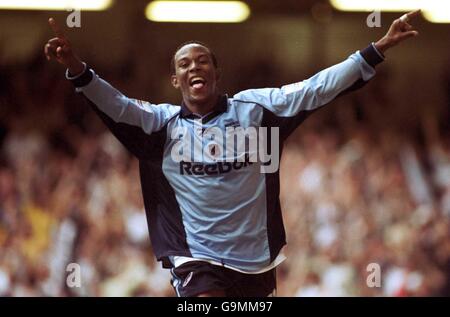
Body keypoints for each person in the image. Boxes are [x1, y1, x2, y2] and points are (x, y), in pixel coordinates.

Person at [44, 10, 420, 297]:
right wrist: (77, 69)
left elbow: (315, 88)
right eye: (184, 63)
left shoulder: (257, 111)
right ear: (176, 81)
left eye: (202, 60)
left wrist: (377, 49)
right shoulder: (160, 126)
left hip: (255, 261)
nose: (194, 66)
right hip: (196, 259)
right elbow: (118, 105)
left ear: (216, 73)